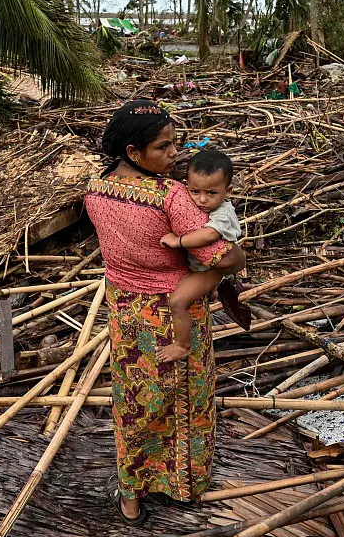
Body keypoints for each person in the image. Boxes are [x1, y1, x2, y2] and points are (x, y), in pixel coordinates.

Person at [84, 100, 245, 526]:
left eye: (177, 143)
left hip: (124, 312)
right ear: (135, 153)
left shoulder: (95, 191)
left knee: (134, 402)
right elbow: (222, 258)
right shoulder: (171, 197)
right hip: (175, 311)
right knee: (186, 398)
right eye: (164, 146)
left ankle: (131, 491)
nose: (176, 154)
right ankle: (183, 483)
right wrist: (237, 255)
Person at [158, 150, 241, 363]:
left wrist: (179, 241)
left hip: (210, 270)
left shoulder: (223, 213)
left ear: (227, 190)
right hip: (202, 267)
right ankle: (211, 292)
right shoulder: (194, 201)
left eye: (211, 193)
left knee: (177, 301)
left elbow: (210, 234)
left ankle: (183, 345)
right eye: (194, 191)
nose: (202, 200)